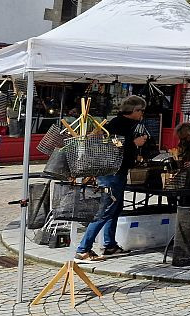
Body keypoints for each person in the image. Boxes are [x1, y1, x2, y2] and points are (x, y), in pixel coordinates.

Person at [74, 96, 149, 263]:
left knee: (115, 208)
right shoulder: (117, 124)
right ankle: (83, 249)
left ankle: (110, 245)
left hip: (117, 172)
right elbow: (113, 146)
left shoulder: (123, 123)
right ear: (134, 111)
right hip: (111, 173)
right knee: (106, 209)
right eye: (141, 110)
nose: (142, 114)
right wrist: (134, 143)